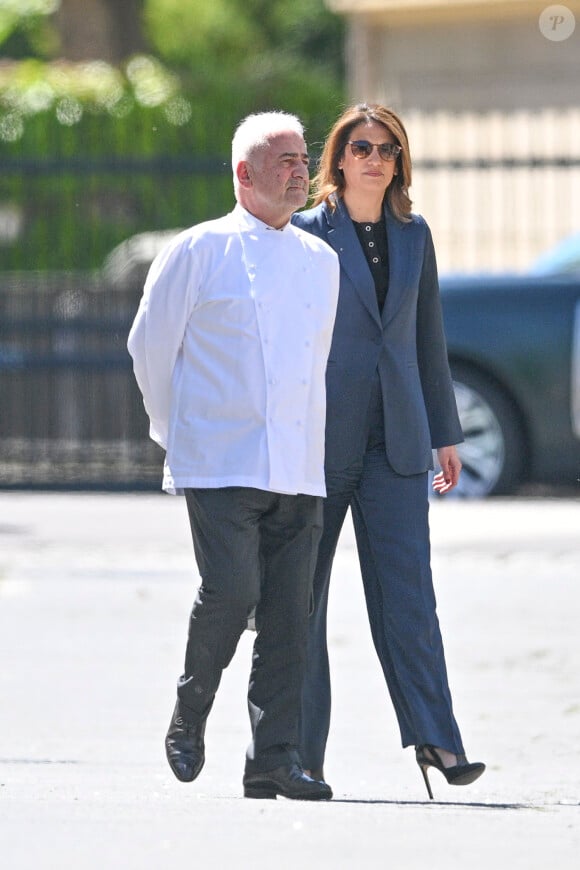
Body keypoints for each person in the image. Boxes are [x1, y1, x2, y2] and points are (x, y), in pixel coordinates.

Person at [127, 111, 339, 801]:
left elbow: (318, 362)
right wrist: (177, 430)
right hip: (219, 459)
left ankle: (274, 759)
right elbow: (149, 349)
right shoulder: (198, 250)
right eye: (282, 160)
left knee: (288, 615)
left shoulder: (321, 262)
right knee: (233, 591)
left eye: (302, 159)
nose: (299, 169)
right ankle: (190, 716)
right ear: (243, 175)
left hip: (299, 464)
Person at [292, 103, 485, 799]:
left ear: (400, 162)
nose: (375, 158)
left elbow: (426, 337)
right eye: (362, 146)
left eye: (388, 149)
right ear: (338, 158)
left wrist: (446, 431)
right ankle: (297, 756)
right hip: (316, 443)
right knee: (301, 603)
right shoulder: (307, 235)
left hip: (398, 441)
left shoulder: (414, 235)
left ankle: (437, 739)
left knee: (411, 598)